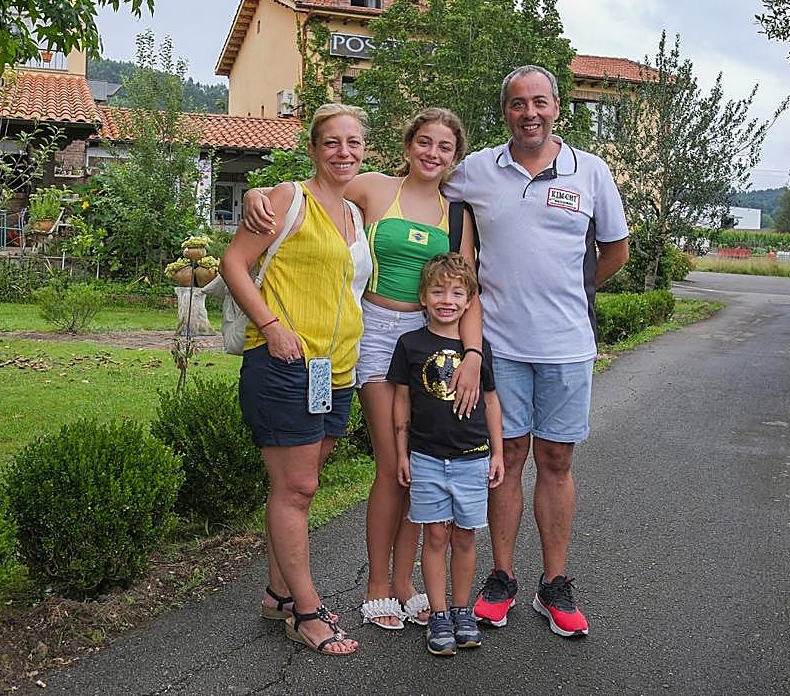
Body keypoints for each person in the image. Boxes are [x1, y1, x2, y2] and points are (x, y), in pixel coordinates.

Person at [243, 108, 482, 631]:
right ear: (407, 144)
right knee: (392, 463)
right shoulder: (373, 188)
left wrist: (472, 355)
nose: (432, 153)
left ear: (455, 157)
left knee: (419, 463)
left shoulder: (457, 216)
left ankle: (403, 582)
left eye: (444, 147)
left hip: (427, 339)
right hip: (371, 332)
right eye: (424, 142)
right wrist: (255, 193)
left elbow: (468, 291)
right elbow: (309, 194)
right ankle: (377, 583)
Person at [442, 65, 630, 638]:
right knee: (506, 459)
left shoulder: (591, 171)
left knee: (556, 461)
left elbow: (615, 251)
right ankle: (502, 577)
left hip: (567, 347)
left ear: (557, 108)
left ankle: (554, 584)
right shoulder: (477, 170)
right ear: (506, 112)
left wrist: (571, 292)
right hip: (499, 347)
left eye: (540, 102)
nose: (530, 113)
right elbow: (417, 183)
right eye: (519, 104)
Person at [220, 103, 372, 656]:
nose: (343, 152)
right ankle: (307, 612)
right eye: (332, 142)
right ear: (312, 149)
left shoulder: (355, 212)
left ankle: (278, 594)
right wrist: (270, 325)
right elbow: (233, 263)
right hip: (283, 363)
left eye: (353, 143)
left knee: (296, 486)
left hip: (335, 371)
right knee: (298, 488)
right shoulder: (288, 199)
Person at [389, 253, 503, 656]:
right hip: (426, 458)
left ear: (470, 301)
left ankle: (461, 610)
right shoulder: (409, 345)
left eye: (457, 293)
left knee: (465, 536)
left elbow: (492, 401)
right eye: (438, 291)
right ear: (423, 297)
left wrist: (497, 453)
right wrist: (401, 453)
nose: (447, 300)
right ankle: (438, 614)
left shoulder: (478, 349)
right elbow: (401, 402)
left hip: (472, 457)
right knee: (435, 535)